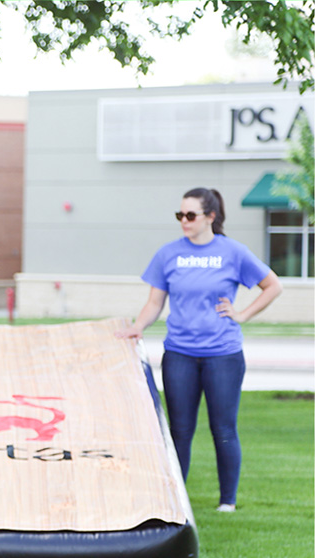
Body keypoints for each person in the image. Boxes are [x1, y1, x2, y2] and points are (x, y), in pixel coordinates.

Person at [116, 187, 282, 513]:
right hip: (180, 354)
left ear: (210, 216)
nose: (184, 221)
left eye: (191, 215)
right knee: (179, 430)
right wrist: (138, 327)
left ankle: (227, 502)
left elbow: (273, 285)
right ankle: (176, 499)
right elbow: (154, 302)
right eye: (180, 215)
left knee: (223, 428)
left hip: (223, 354)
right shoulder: (168, 254)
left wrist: (243, 314)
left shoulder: (233, 252)